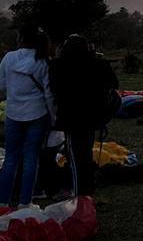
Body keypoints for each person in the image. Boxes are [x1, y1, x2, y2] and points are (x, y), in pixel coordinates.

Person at [49, 33, 120, 196]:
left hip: (72, 119)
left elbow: (55, 90)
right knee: (85, 154)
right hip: (93, 118)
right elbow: (114, 85)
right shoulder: (99, 64)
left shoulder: (59, 66)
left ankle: (80, 196)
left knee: (75, 158)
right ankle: (87, 193)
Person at [0, 26, 55, 207]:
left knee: (10, 158)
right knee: (30, 158)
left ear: (20, 39)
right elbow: (49, 94)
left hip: (13, 113)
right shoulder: (43, 61)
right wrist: (53, 116)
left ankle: (1, 201)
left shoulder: (9, 58)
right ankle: (25, 202)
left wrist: (14, 87)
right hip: (37, 113)